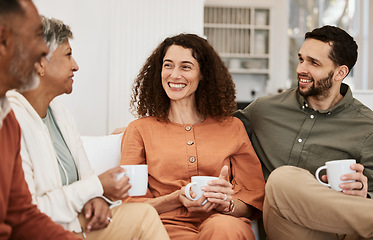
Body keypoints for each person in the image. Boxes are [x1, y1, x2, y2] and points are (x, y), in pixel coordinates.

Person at [7, 16, 169, 240]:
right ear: (39, 63)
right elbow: (28, 211)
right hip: (37, 231)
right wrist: (96, 188)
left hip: (77, 224)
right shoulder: (9, 120)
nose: (76, 65)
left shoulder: (62, 115)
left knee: (145, 216)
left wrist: (98, 199)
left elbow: (87, 181)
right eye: (68, 54)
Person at [120, 33, 265, 240]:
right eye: (168, 65)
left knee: (225, 229)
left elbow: (253, 200)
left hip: (223, 223)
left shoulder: (233, 127)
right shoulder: (139, 130)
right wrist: (176, 198)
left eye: (185, 67)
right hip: (164, 226)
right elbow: (130, 206)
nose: (174, 75)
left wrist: (227, 203)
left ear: (203, 73)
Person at [234, 25, 373, 240]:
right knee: (282, 179)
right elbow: (219, 131)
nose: (301, 69)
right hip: (286, 228)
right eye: (301, 59)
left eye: (314, 63)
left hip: (341, 232)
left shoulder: (367, 126)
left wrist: (365, 193)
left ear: (340, 72)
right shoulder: (263, 110)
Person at [0, 0, 81, 239]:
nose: (44, 51)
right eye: (37, 37)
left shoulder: (8, 122)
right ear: (4, 40)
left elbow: (22, 214)